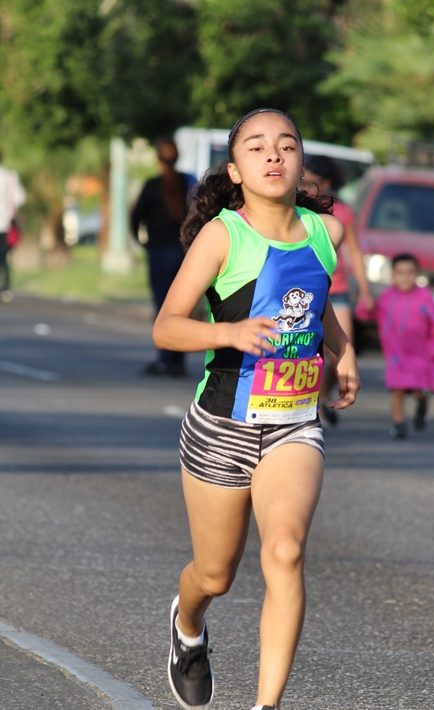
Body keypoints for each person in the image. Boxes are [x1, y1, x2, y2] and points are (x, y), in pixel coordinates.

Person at [152, 108, 359, 710]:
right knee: (215, 576)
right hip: (221, 424)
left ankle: (266, 705)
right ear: (236, 170)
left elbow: (313, 305)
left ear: (300, 163)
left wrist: (341, 350)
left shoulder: (328, 234)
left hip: (293, 423)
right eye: (258, 147)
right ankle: (188, 627)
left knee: (286, 550)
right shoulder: (224, 235)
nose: (274, 155)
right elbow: (168, 327)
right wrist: (231, 334)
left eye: (287, 145)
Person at [303, 155, 374, 426]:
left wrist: (366, 291)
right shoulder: (299, 208)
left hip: (339, 289)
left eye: (313, 180)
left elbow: (354, 253)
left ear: (327, 182)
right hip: (310, 289)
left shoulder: (342, 211)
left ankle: (323, 395)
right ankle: (312, 403)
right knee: (311, 350)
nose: (307, 185)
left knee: (341, 351)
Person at [131, 136, 195, 376]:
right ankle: (177, 360)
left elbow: (136, 216)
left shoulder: (152, 185)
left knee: (163, 306)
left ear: (158, 159)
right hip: (184, 253)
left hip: (159, 251)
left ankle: (166, 359)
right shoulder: (188, 182)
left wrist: (141, 241)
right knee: (183, 307)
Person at [374, 253, 434, 440]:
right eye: (400, 272)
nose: (405, 277)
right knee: (397, 388)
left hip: (420, 354)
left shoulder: (424, 297)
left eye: (410, 272)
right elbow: (370, 313)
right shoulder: (386, 297)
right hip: (396, 353)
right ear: (392, 275)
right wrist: (363, 305)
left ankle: (422, 405)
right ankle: (398, 423)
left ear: (417, 274)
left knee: (419, 390)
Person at [0, 152, 26, 302]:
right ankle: (6, 289)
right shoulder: (10, 177)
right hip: (5, 223)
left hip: (5, 223)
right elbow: (20, 199)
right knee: (4, 257)